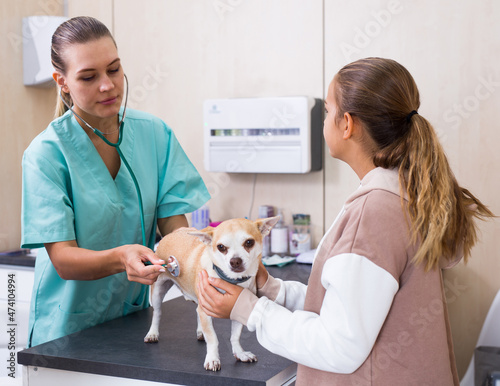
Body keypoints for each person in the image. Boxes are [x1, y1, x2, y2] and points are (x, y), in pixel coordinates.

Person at [197, 57, 494, 385]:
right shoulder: (404, 197)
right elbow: (350, 305)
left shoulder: (373, 214)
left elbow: (339, 345)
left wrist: (248, 310)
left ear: (347, 124)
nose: (325, 120)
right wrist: (273, 289)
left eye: (327, 111)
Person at [21, 16, 210, 348]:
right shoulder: (46, 155)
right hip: (66, 331)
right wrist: (123, 258)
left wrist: (199, 257)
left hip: (132, 322)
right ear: (62, 81)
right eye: (89, 77)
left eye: (113, 69)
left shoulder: (154, 134)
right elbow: (63, 259)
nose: (107, 85)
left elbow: (172, 224)